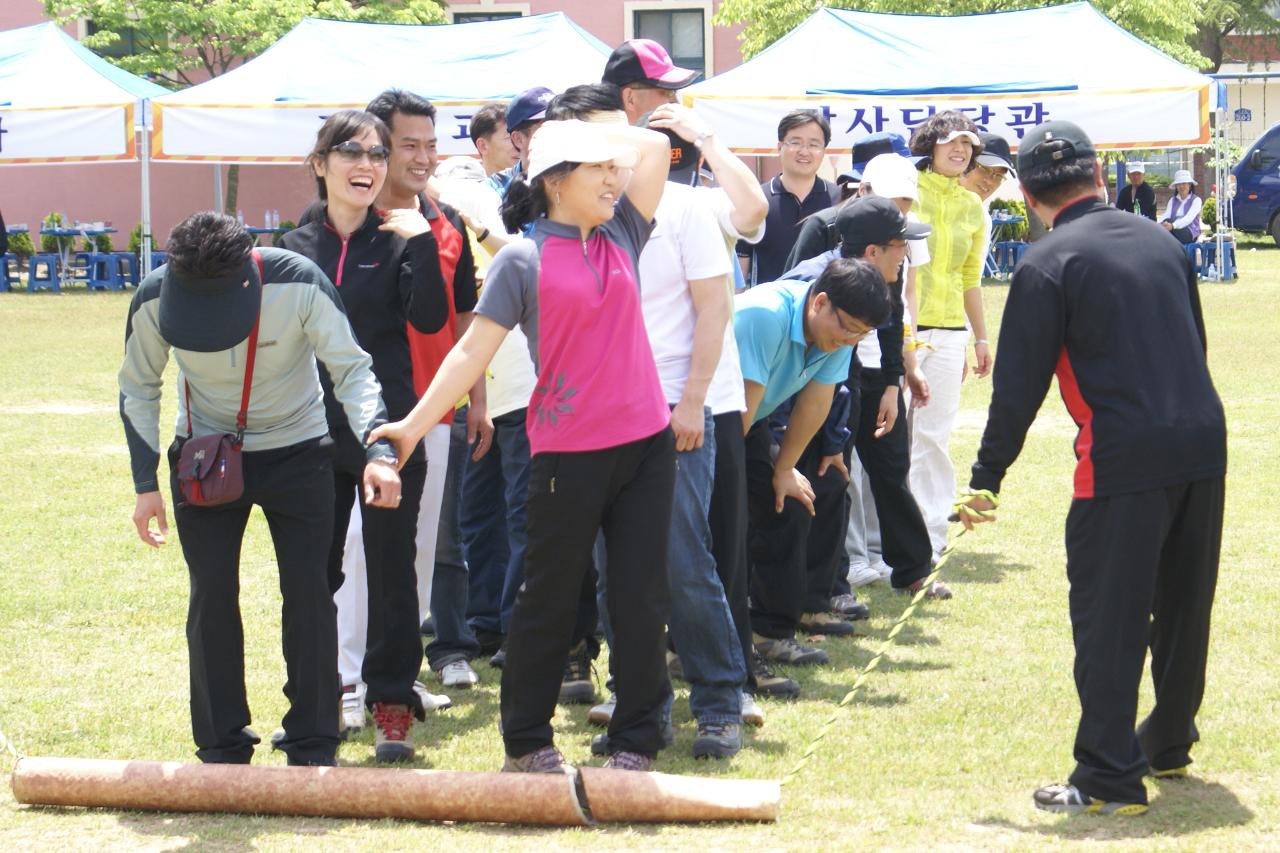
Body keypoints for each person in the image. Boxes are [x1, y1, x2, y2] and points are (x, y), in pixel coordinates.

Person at [370, 118, 675, 773]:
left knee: (641, 595)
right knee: (550, 597)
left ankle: (635, 739)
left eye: (612, 168)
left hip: (646, 444)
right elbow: (469, 351)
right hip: (567, 454)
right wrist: (412, 426)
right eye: (597, 169)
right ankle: (528, 741)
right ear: (556, 181)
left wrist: (595, 126)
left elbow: (652, 149)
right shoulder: (522, 257)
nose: (614, 178)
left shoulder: (623, 230)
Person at [957, 120, 1226, 816]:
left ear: (1025, 190)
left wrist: (987, 475)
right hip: (1200, 436)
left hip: (1121, 452)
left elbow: (1018, 386)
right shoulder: (1165, 242)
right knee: (1183, 604)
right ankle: (1168, 737)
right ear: (1099, 171)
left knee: (1110, 616)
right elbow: (1193, 342)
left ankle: (1109, 771)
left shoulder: (1047, 262)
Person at [119, 211, 402, 767]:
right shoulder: (153, 297)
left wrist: (378, 449)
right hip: (204, 457)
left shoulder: (298, 282)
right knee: (211, 594)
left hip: (299, 452)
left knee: (310, 591)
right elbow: (138, 386)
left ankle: (313, 737)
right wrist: (143, 483)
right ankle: (220, 742)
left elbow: (352, 370)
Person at [547, 83, 746, 759]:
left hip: (674, 408)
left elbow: (713, 311)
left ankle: (721, 699)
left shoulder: (684, 207)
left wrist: (691, 400)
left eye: (604, 138)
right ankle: (642, 705)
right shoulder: (575, 219)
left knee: (683, 560)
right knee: (615, 569)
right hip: (601, 417)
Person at [279, 109, 453, 762]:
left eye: (377, 154)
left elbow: (433, 316)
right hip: (308, 435)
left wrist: (425, 240)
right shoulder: (291, 250)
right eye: (350, 151)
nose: (367, 164)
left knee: (390, 571)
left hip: (387, 433)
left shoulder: (402, 237)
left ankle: (391, 705)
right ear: (320, 163)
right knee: (312, 573)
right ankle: (316, 702)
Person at [735, 258, 890, 675]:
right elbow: (738, 412)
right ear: (820, 302)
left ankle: (769, 632)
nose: (850, 340)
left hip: (748, 422)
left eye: (861, 334)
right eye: (847, 328)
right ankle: (698, 647)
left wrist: (784, 470)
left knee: (790, 503)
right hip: (703, 419)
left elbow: (816, 401)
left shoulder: (835, 338)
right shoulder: (764, 316)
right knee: (725, 527)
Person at [783, 197, 935, 609]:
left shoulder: (879, 275)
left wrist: (891, 382)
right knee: (821, 478)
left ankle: (896, 573)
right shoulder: (819, 281)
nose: (907, 254)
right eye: (901, 245)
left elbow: (891, 323)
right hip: (789, 397)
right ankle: (821, 594)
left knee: (862, 471)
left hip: (851, 382)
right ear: (873, 251)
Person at [907, 111, 991, 578]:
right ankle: (880, 544)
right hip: (900, 330)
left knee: (934, 436)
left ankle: (930, 537)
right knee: (891, 438)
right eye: (952, 142)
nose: (960, 151)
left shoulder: (973, 206)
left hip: (949, 332)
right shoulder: (907, 190)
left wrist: (979, 338)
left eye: (968, 145)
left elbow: (969, 278)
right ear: (931, 145)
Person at [737, 110, 841, 286]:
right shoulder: (757, 200)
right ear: (779, 147)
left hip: (824, 308)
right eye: (795, 142)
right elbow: (741, 265)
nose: (804, 151)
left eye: (814, 144)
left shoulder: (839, 199)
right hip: (769, 309)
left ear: (824, 151)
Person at [1161, 169, 1203, 244]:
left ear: (1189, 185)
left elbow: (1188, 219)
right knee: (1166, 220)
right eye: (1179, 184)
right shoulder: (1172, 200)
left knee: (1169, 225)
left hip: (1190, 232)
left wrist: (1173, 225)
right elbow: (1166, 215)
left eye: (1184, 183)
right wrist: (1161, 224)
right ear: (1176, 186)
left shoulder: (1196, 200)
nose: (1182, 186)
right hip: (1173, 230)